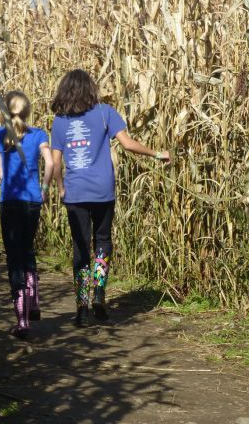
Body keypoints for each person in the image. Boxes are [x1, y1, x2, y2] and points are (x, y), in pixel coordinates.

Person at [50, 69, 170, 327]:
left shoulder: (59, 121)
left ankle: (82, 309)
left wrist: (61, 188)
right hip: (103, 190)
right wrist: (157, 154)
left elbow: (56, 161)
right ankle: (99, 294)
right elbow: (128, 144)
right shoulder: (106, 112)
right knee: (102, 241)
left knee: (80, 248)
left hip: (76, 192)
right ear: (90, 88)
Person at [0, 91, 54, 338]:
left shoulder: (0, 135)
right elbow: (50, 163)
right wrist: (46, 189)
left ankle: (22, 321)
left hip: (10, 201)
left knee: (14, 256)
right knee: (28, 248)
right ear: (27, 111)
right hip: (32, 201)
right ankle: (34, 301)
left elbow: (0, 175)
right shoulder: (38, 134)